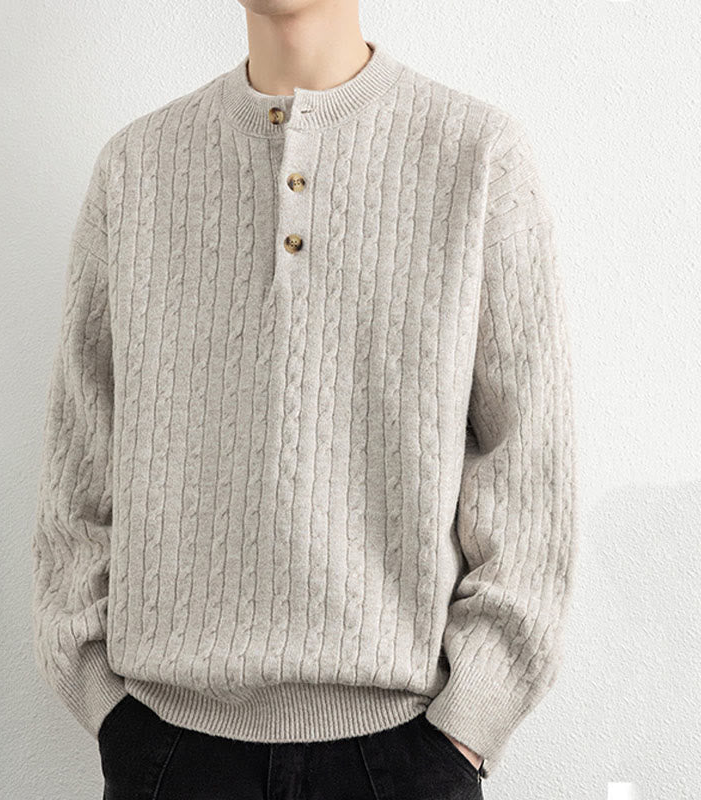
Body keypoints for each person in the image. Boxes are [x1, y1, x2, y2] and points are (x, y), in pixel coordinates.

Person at [30, 1, 578, 797]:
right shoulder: (136, 167)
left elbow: (528, 463)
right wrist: (103, 702)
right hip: (168, 747)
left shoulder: (477, 155)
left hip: (403, 752)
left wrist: (470, 722)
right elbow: (80, 454)